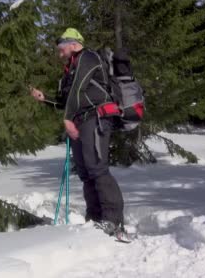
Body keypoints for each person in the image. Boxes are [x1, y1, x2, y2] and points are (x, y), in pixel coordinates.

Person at [30, 28, 130, 241]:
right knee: (85, 172)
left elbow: (78, 90)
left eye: (61, 49)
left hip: (96, 118)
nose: (60, 54)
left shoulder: (88, 57)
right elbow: (67, 100)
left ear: (73, 44)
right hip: (81, 121)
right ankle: (94, 217)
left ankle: (113, 220)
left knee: (97, 169)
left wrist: (67, 119)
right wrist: (44, 99)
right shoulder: (71, 68)